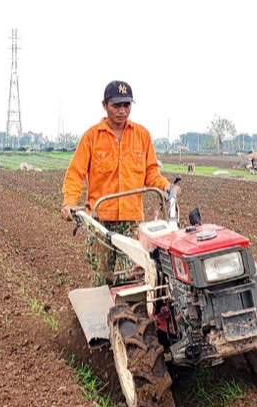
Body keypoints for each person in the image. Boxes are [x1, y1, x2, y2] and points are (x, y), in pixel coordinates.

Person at [61, 80, 179, 285]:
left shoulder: (141, 135)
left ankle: (130, 316)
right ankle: (101, 314)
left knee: (131, 279)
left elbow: (151, 172)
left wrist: (166, 187)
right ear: (104, 105)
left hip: (131, 220)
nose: (122, 111)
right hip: (99, 220)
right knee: (102, 277)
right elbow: (76, 173)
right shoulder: (92, 137)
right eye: (116, 105)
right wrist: (69, 202)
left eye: (127, 105)